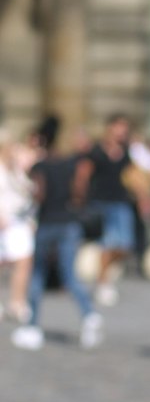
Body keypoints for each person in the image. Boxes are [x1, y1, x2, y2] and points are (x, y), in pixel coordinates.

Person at [12, 120, 102, 351]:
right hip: (69, 221)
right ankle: (89, 315)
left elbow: (38, 194)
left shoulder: (41, 166)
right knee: (69, 274)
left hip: (48, 222)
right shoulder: (70, 164)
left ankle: (32, 327)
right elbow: (79, 192)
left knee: (39, 273)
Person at [88, 113, 135, 306]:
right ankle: (103, 283)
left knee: (125, 246)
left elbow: (132, 174)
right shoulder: (97, 150)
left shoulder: (127, 150)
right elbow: (86, 173)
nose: (122, 132)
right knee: (107, 244)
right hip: (101, 201)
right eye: (119, 127)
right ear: (110, 128)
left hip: (121, 201)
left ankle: (105, 276)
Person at [0, 129, 36, 325]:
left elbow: (28, 192)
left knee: (24, 262)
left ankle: (17, 301)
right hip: (4, 222)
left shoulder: (16, 169)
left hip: (20, 220)